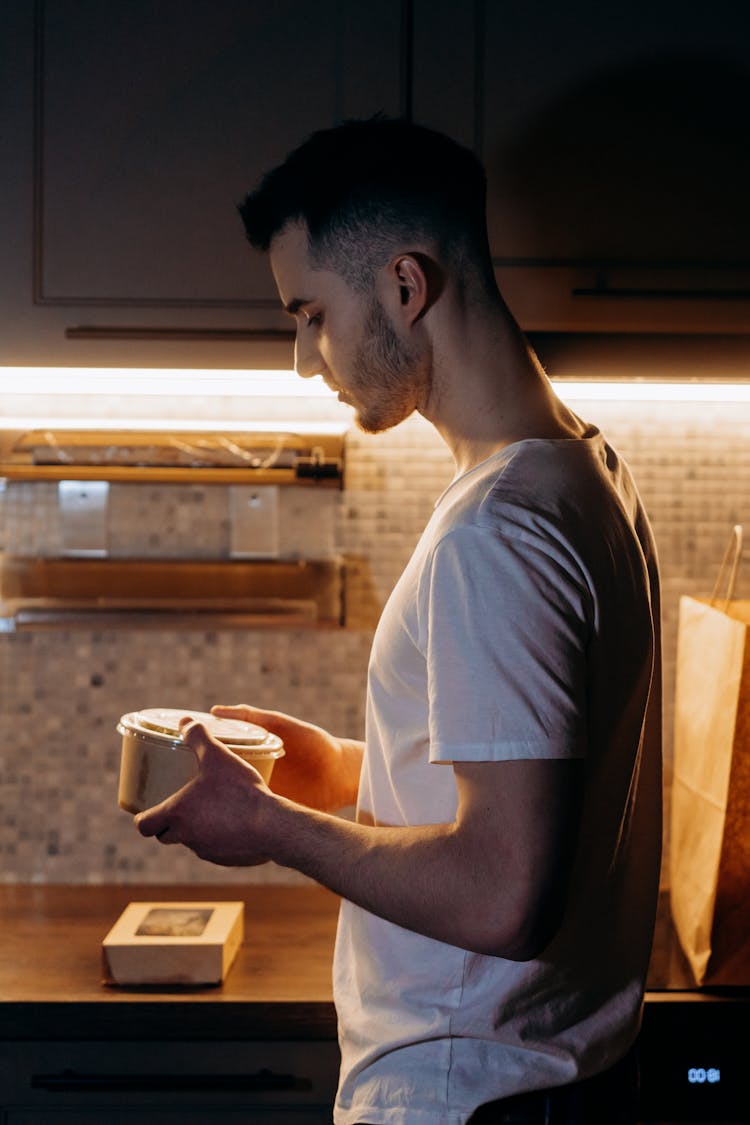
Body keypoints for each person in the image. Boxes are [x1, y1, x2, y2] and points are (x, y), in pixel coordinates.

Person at [135, 117, 662, 1125]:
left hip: (473, 1095)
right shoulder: (584, 473)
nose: (305, 358)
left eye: (312, 314)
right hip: (549, 1082)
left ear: (405, 287)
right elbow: (521, 784)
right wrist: (334, 768)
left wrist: (271, 828)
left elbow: (504, 894)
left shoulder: (498, 530)